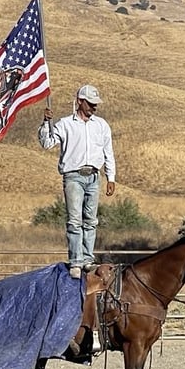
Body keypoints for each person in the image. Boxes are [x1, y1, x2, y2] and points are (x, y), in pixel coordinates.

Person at [39, 84, 116, 279]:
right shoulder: (65, 124)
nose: (94, 107)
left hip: (93, 175)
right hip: (73, 175)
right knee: (75, 221)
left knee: (91, 220)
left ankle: (87, 259)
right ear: (80, 101)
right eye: (90, 103)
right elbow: (47, 143)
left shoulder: (101, 125)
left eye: (95, 104)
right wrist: (45, 123)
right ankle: (76, 261)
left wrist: (111, 177)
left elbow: (108, 153)